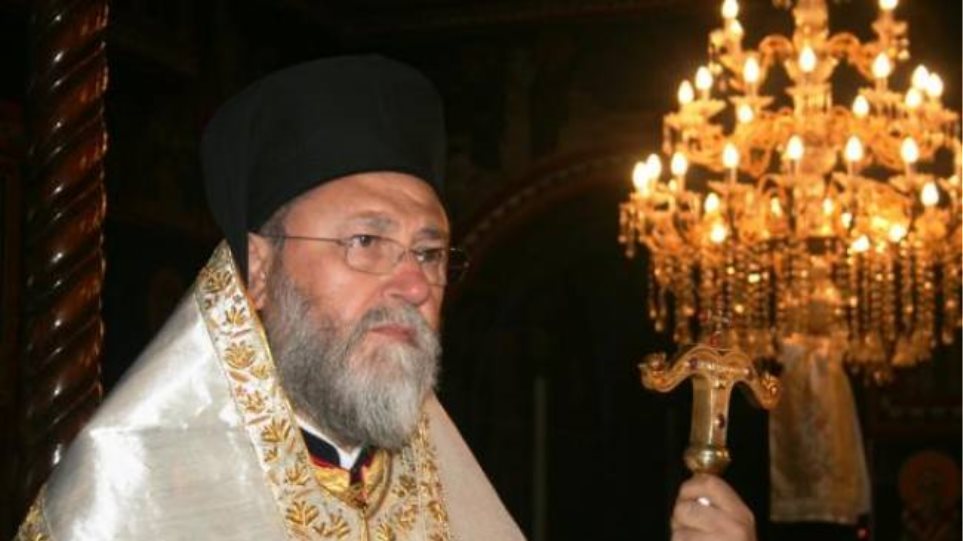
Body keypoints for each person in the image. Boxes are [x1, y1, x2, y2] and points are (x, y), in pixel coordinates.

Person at [15, 55, 755, 540]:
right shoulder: (131, 499)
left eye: (429, 253)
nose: (413, 284)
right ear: (259, 271)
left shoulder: (453, 503)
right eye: (366, 241)